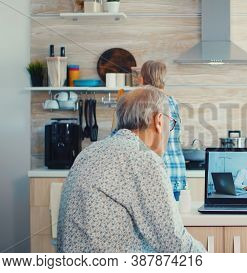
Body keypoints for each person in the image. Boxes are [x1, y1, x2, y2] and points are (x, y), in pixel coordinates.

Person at [57, 87, 205, 253]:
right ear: (158, 121)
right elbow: (174, 244)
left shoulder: (88, 153)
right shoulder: (143, 158)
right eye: (170, 124)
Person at [140, 60, 186, 200]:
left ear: (142, 79)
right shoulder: (172, 101)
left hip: (155, 174)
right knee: (172, 219)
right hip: (175, 171)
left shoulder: (144, 103)